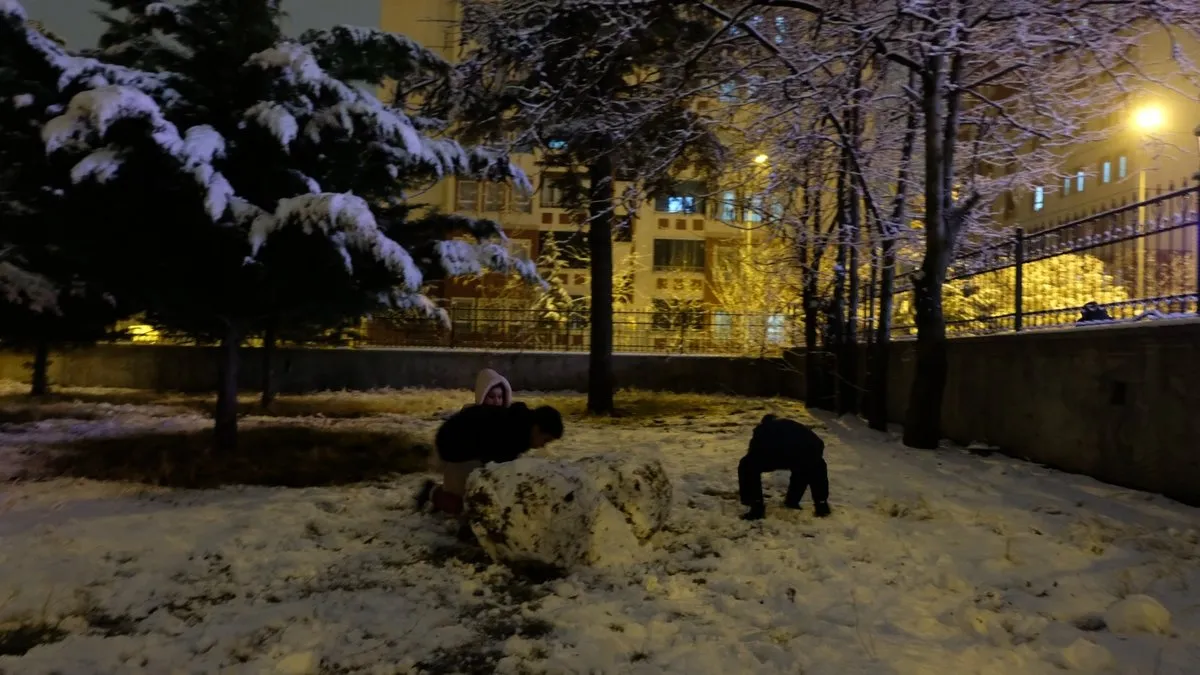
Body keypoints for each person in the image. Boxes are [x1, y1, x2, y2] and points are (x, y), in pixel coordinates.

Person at [416, 402, 564, 516]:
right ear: (537, 429)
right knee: (470, 506)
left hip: (462, 446)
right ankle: (432, 492)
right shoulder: (513, 434)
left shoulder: (519, 427)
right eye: (545, 439)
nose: (542, 445)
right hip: (454, 449)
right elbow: (497, 474)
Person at [738, 414, 831, 521]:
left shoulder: (762, 430)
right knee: (810, 467)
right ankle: (818, 505)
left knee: (747, 466)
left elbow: (753, 453)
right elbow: (818, 446)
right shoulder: (795, 426)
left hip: (778, 453)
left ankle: (756, 507)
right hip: (809, 450)